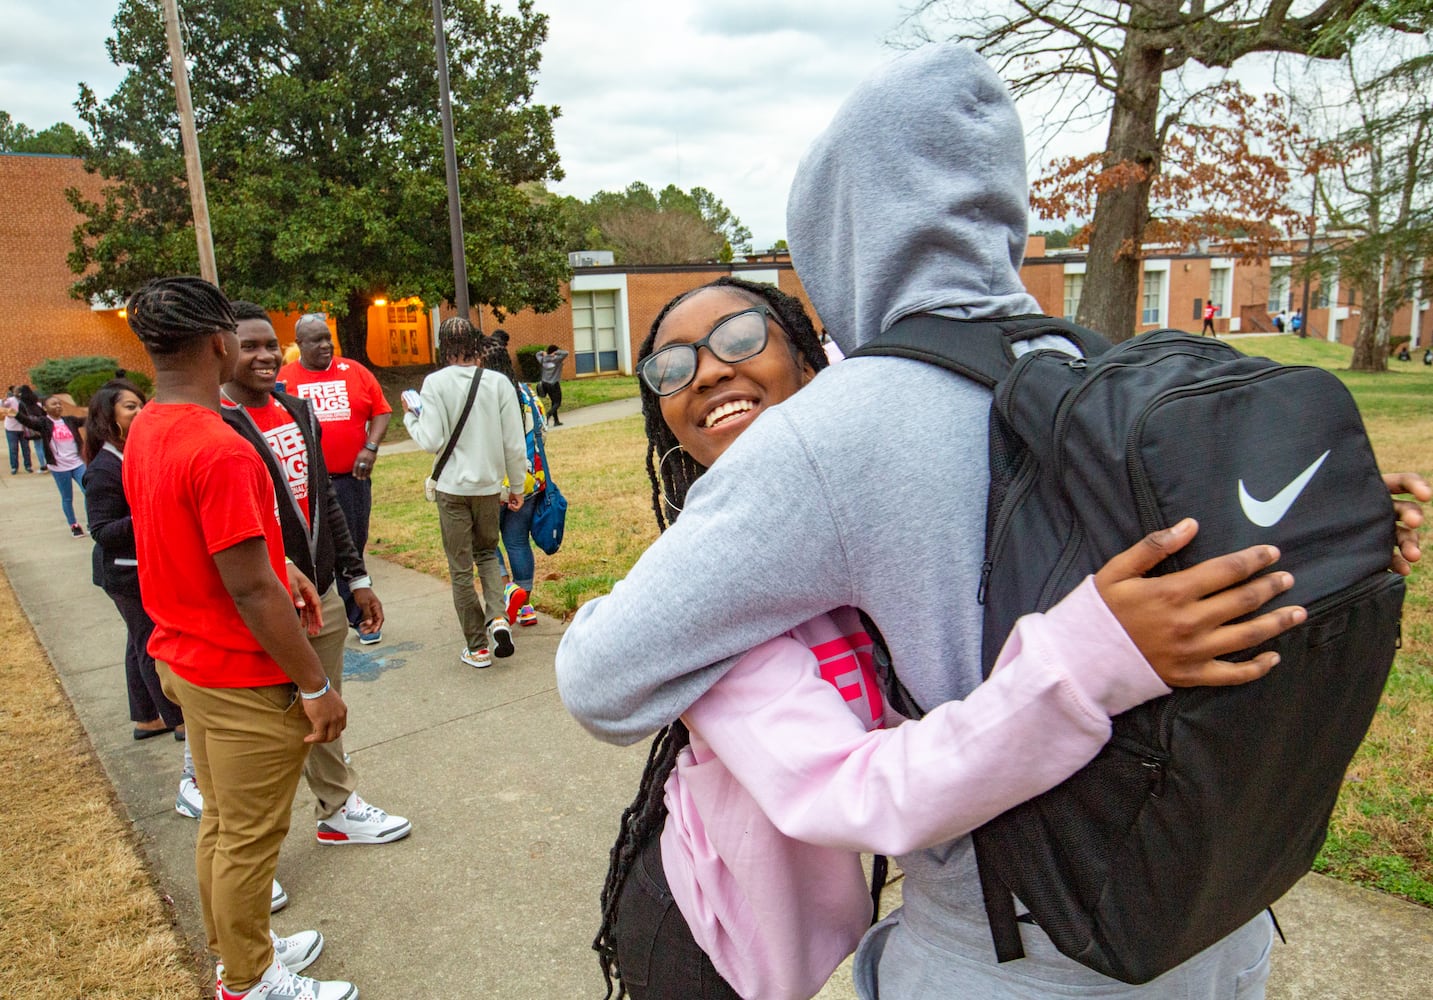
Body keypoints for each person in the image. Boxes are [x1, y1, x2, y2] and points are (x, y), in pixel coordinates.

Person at [556, 45, 1430, 999]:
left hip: (1024, 952)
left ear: (838, 230)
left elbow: (601, 681)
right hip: (1219, 912)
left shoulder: (832, 433)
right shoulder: (1107, 367)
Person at [592, 277, 1302, 1000]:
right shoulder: (716, 595)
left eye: (739, 336)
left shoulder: (865, 502)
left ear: (811, 363)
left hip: (809, 915)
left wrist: (1316, 530)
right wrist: (1094, 660)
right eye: (671, 368)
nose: (707, 370)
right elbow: (854, 789)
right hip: (709, 934)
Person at [122, 276, 356, 1000]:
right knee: (250, 840)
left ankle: (243, 946)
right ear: (218, 342)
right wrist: (314, 685)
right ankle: (248, 981)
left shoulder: (149, 426)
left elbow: (212, 546)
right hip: (238, 672)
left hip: (185, 659)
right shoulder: (220, 447)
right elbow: (248, 590)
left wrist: (282, 561)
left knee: (222, 826)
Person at [223, 302, 411, 847]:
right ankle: (253, 848)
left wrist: (354, 576)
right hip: (260, 597)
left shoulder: (295, 410)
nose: (261, 356)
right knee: (262, 726)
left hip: (321, 589)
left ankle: (337, 808)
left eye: (266, 345)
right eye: (247, 345)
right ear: (223, 350)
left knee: (326, 706)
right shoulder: (217, 422)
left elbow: (325, 499)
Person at [81, 378, 198, 823]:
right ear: (109, 416)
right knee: (152, 642)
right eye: (131, 407)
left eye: (141, 403)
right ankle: (176, 720)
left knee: (136, 643)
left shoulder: (133, 453)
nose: (140, 410)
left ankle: (145, 718)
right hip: (125, 573)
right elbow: (103, 530)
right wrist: (154, 509)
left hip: (140, 567)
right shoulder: (103, 469)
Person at [403, 317, 526, 668]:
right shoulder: (499, 383)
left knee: (460, 568)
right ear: (476, 343)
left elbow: (431, 440)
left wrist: (411, 417)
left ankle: (477, 647)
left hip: (452, 489)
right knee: (487, 554)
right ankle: (498, 619)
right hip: (488, 487)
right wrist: (515, 486)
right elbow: (513, 443)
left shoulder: (434, 383)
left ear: (443, 347)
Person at [279, 312, 392, 644]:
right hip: (305, 485)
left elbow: (381, 410)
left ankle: (355, 613)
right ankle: (326, 613)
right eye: (317, 340)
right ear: (300, 345)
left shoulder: (354, 371)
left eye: (328, 337)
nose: (326, 345)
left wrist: (370, 447)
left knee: (352, 544)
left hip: (350, 480)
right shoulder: (286, 380)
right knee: (313, 549)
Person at [484, 333, 544, 627]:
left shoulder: (484, 395)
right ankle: (526, 606)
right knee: (518, 542)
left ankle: (508, 589)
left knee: (483, 542)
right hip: (528, 480)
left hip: (492, 483)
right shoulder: (527, 393)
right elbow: (542, 430)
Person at [15, 393, 88, 535]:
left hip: (77, 463)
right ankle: (74, 525)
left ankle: (92, 522)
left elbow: (87, 420)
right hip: (59, 467)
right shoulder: (43, 423)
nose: (58, 406)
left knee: (89, 492)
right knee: (67, 497)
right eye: (53, 404)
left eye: (59, 403)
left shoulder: (70, 420)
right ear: (45, 408)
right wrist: (16, 414)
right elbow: (29, 422)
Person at [3, 385, 38, 474]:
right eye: (16, 391)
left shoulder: (25, 401)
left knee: (26, 448)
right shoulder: (10, 400)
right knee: (13, 448)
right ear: (13, 393)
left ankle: (28, 465)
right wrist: (4, 403)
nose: (18, 393)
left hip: (23, 428)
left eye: (19, 391)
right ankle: (14, 467)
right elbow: (4, 405)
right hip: (11, 429)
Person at [536, 343, 569, 426]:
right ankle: (548, 415)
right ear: (555, 351)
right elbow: (565, 353)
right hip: (554, 383)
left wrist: (544, 353)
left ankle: (556, 421)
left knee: (553, 401)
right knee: (558, 403)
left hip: (545, 383)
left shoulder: (543, 359)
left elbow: (537, 354)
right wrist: (556, 353)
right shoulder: (557, 359)